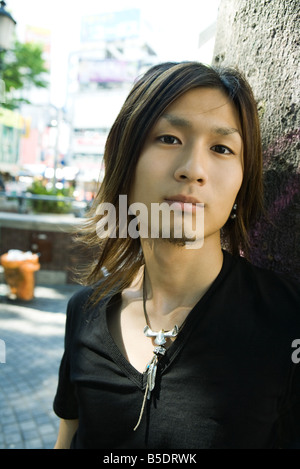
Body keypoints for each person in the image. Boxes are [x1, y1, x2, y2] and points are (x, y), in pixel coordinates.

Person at [53, 61, 300, 449]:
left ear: (242, 182)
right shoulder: (84, 311)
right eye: (169, 139)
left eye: (221, 148)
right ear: (126, 161)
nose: (193, 170)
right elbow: (68, 436)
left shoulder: (288, 319)